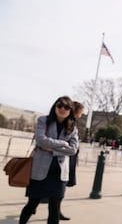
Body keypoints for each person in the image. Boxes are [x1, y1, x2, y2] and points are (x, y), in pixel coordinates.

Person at [19, 96, 79, 224]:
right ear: (55, 107)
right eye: (60, 105)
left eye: (66, 107)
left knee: (54, 208)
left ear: (70, 111)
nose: (62, 109)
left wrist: (52, 150)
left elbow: (73, 149)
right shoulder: (43, 120)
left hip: (59, 173)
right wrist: (63, 143)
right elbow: (40, 140)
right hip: (40, 170)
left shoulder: (73, 128)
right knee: (32, 204)